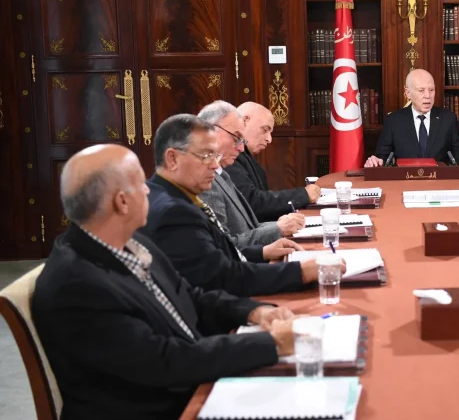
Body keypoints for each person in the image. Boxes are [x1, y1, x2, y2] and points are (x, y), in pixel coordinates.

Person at [31, 144, 297, 420]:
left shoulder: (129, 241)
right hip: (157, 407)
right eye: (140, 183)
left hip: (187, 383)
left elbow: (189, 295)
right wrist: (270, 344)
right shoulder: (77, 285)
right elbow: (163, 362)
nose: (149, 190)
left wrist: (252, 311)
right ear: (121, 202)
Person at [142, 113, 319, 296]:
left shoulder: (170, 194)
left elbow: (214, 257)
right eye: (206, 155)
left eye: (215, 155)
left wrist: (262, 252)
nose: (214, 165)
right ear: (172, 159)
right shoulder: (174, 212)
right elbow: (222, 277)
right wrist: (300, 272)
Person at [197, 101, 305, 247]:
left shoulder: (221, 174)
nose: (241, 148)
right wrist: (277, 230)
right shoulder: (204, 181)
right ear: (210, 131)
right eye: (236, 138)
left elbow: (249, 227)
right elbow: (222, 246)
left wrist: (283, 225)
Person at [227, 102, 321, 222]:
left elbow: (263, 206)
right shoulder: (229, 156)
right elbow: (252, 203)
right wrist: (303, 195)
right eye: (265, 129)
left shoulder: (247, 157)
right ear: (245, 121)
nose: (269, 139)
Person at [364, 69, 459, 167]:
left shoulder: (448, 120)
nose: (428, 96)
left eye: (431, 90)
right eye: (421, 90)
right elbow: (382, 159)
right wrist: (375, 161)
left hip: (439, 181)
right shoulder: (393, 121)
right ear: (408, 93)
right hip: (405, 181)